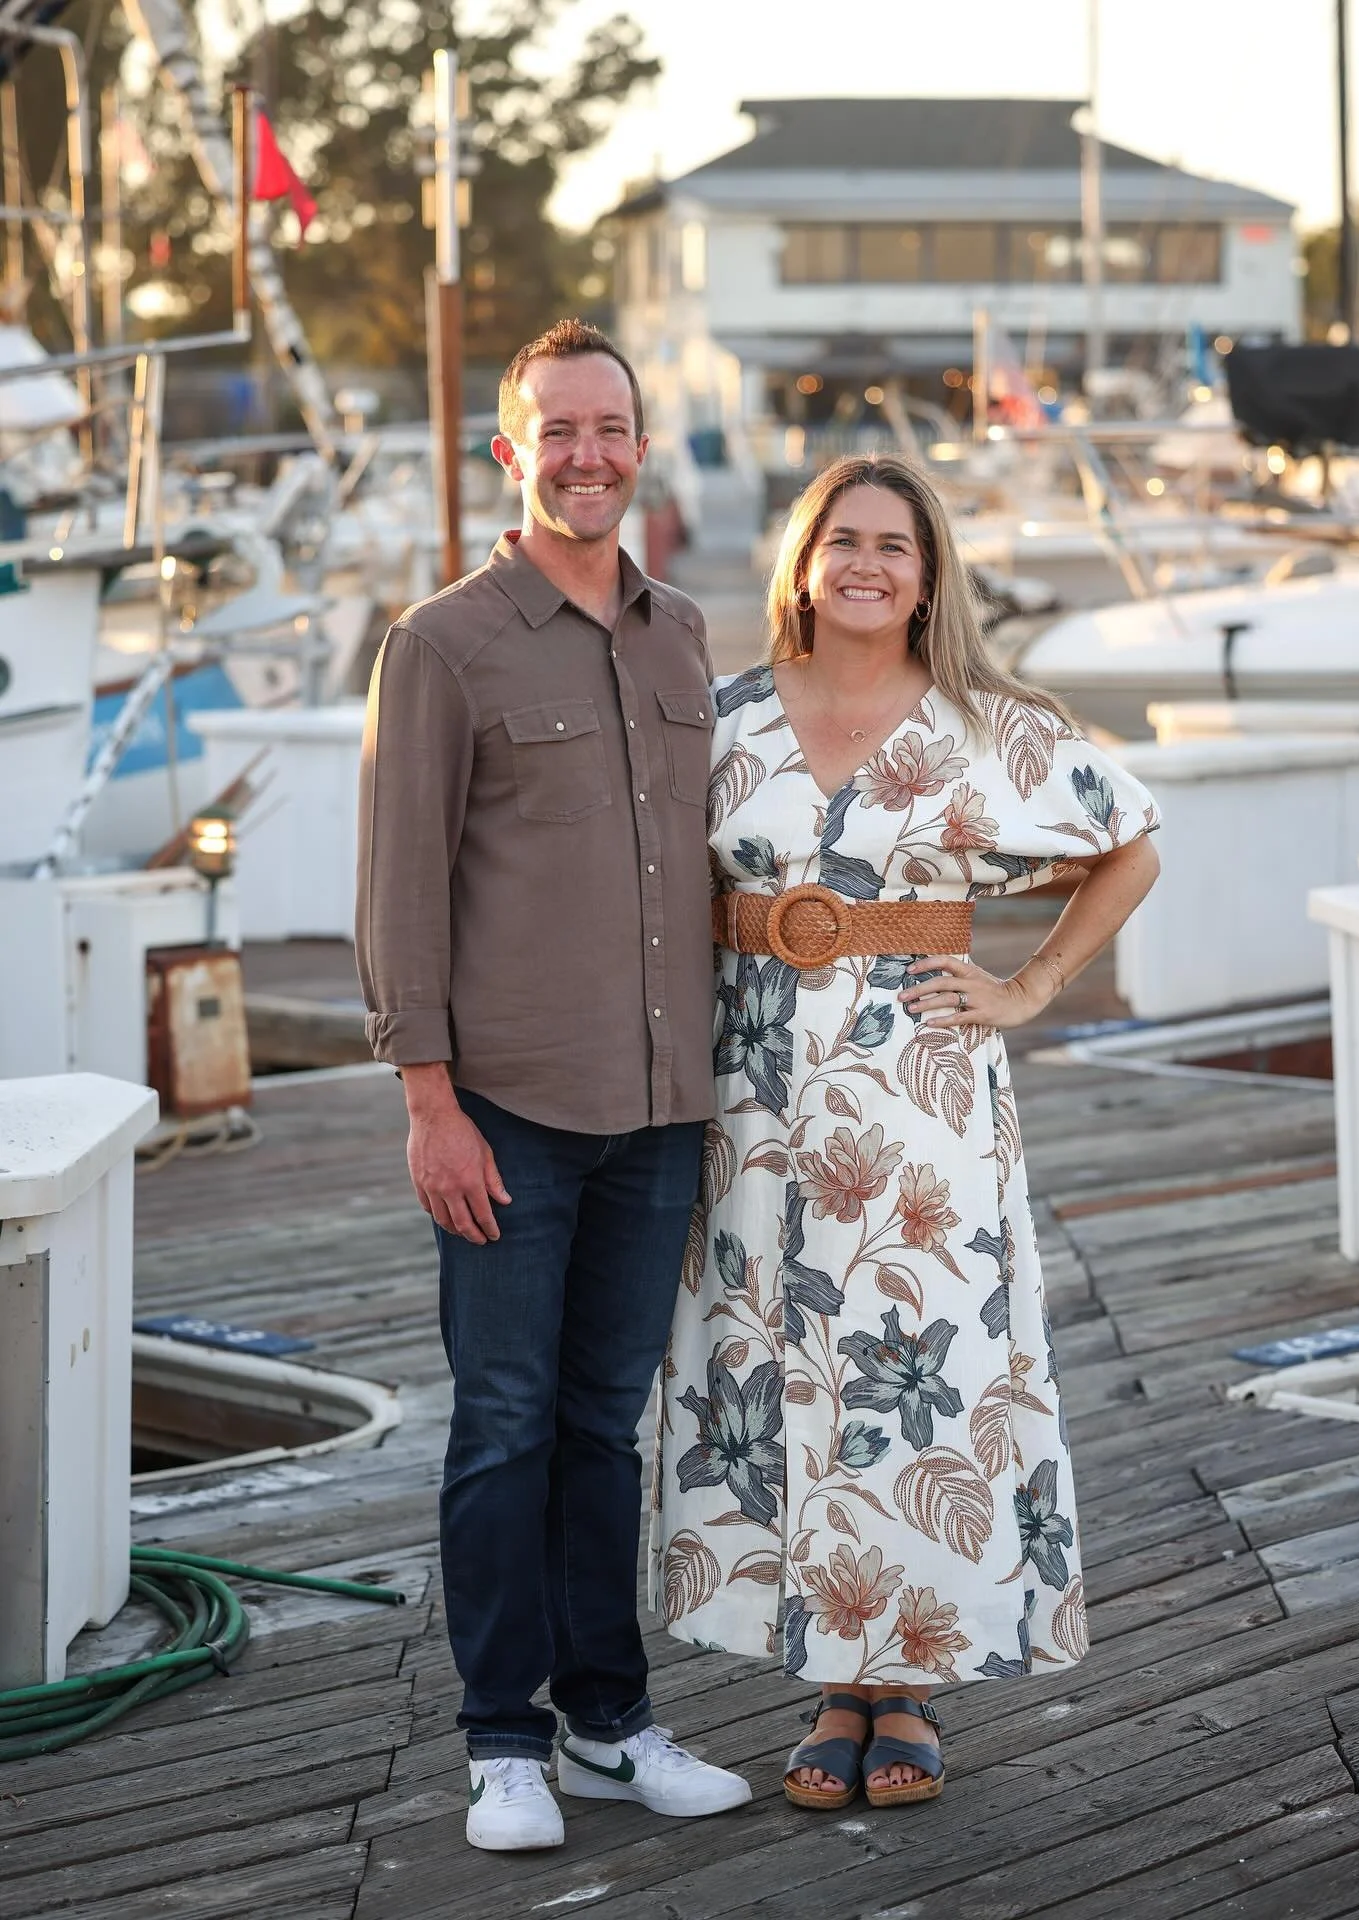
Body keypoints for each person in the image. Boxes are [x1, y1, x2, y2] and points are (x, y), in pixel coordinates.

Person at [651, 453, 1160, 1811]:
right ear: (804, 562)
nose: (868, 564)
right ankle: (834, 1677)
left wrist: (1029, 987)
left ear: (929, 576)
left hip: (919, 1099)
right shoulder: (723, 718)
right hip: (754, 1098)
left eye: (895, 545)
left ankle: (908, 1683)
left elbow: (1133, 843)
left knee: (903, 1369)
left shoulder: (987, 723)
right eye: (845, 540)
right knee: (780, 1366)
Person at [356, 319, 751, 1852]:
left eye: (610, 428)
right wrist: (429, 1104)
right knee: (504, 1428)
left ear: (639, 447)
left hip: (657, 1112)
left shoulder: (683, 633)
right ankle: (502, 1741)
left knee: (605, 1429)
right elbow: (399, 894)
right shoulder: (440, 643)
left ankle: (609, 1720)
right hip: (508, 1112)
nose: (587, 455)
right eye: (558, 429)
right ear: (509, 448)